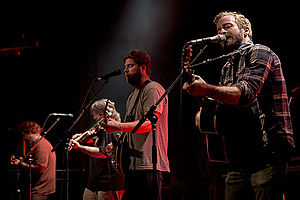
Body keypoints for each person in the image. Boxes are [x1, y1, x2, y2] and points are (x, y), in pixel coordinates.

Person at [183, 11, 295, 200]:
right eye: (218, 29)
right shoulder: (227, 66)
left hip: (267, 151)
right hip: (238, 155)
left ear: (246, 30)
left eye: (227, 26)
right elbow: (226, 105)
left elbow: (245, 93)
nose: (221, 33)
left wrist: (207, 89)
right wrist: (202, 99)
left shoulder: (260, 51)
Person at [104, 50, 170, 200]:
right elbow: (130, 129)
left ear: (143, 68)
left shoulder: (153, 89)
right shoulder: (132, 96)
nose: (126, 70)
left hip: (149, 165)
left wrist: (118, 126)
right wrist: (116, 144)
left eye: (130, 66)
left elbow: (148, 124)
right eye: (125, 67)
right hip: (133, 165)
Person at [69, 98, 125, 200]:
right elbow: (95, 137)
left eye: (95, 114)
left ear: (102, 114)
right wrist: (81, 136)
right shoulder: (101, 128)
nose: (94, 118)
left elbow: (102, 152)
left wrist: (79, 147)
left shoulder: (113, 129)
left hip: (107, 184)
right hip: (93, 183)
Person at [10, 121, 56, 200]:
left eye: (24, 135)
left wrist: (21, 164)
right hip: (38, 190)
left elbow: (40, 168)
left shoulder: (41, 145)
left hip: (40, 191)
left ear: (30, 132)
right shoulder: (38, 144)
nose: (24, 139)